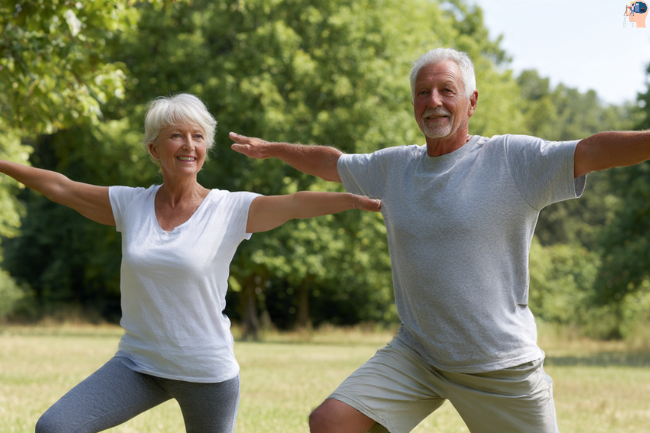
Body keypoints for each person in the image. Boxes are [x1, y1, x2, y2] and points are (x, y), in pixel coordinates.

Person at [230, 47, 650, 433]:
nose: (433, 101)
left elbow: (591, 151)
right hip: (418, 354)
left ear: (472, 101)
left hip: (497, 364)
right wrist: (273, 149)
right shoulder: (394, 167)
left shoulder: (511, 160)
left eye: (447, 90)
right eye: (422, 92)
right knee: (331, 422)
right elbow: (331, 162)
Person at [0, 93, 381, 433]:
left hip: (206, 374)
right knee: (55, 427)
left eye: (197, 136)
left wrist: (350, 199)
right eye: (176, 135)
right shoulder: (130, 205)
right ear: (154, 149)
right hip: (138, 365)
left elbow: (295, 203)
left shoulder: (229, 209)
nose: (188, 145)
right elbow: (61, 186)